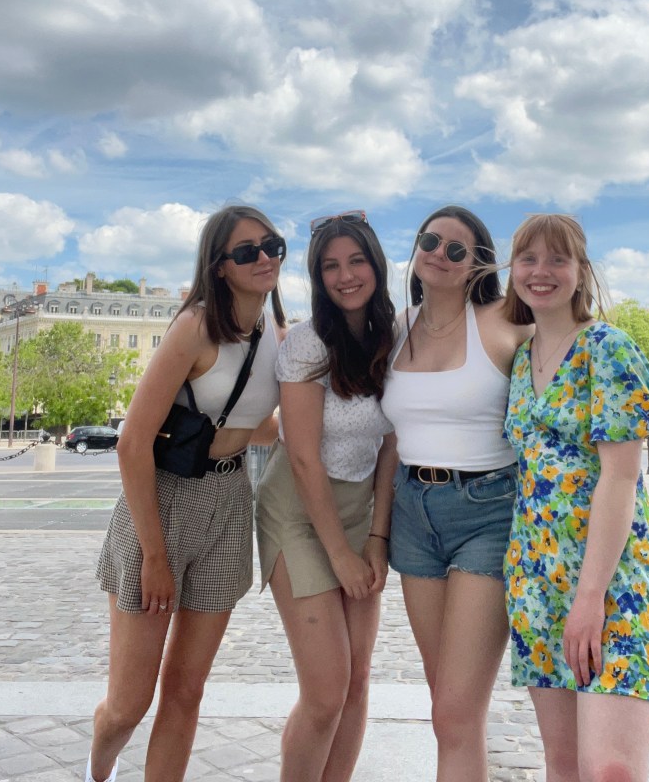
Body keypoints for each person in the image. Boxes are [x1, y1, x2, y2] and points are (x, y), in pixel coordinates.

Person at [86, 205, 287, 782]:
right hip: (163, 504)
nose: (264, 257)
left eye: (271, 244)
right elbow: (132, 442)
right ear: (219, 266)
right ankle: (99, 768)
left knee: (186, 692)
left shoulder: (274, 335)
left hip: (229, 506)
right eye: (246, 251)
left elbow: (258, 425)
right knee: (129, 704)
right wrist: (154, 556)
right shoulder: (196, 326)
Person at [502, 213, 649, 782]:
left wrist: (590, 599)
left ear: (582, 272)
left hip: (613, 583)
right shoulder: (518, 358)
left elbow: (621, 479)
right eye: (528, 259)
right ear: (512, 271)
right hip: (537, 579)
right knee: (562, 766)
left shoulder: (607, 348)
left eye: (558, 259)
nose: (541, 271)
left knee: (610, 770)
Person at [380, 205, 531, 782]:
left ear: (477, 266)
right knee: (445, 696)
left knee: (455, 709)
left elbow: (574, 341)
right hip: (413, 515)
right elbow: (389, 438)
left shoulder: (502, 322)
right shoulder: (396, 328)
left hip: (487, 511)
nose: (439, 254)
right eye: (430, 241)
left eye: (457, 249)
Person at [255, 210, 398, 782]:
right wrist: (340, 552)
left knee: (358, 679)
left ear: (376, 264)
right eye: (330, 266)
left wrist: (377, 539)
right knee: (325, 690)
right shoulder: (308, 345)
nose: (345, 276)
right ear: (317, 277)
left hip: (360, 508)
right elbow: (304, 456)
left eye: (356, 260)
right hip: (297, 510)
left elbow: (391, 447)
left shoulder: (396, 338)